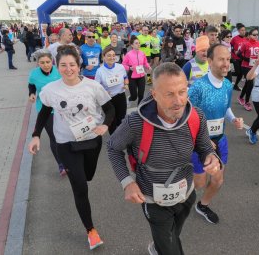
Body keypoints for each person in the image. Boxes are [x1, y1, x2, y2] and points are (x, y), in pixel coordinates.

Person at [106, 62, 221, 255]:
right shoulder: (136, 122)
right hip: (153, 198)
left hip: (186, 193)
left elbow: (204, 146)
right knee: (171, 247)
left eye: (182, 92)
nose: (178, 101)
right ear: (155, 94)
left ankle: (159, 246)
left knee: (173, 234)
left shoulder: (196, 117)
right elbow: (112, 148)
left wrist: (211, 156)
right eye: (169, 94)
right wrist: (127, 182)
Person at [27, 45, 115, 250]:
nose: (68, 69)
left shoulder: (93, 87)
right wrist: (36, 136)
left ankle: (80, 178)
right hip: (66, 143)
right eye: (63, 65)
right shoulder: (51, 90)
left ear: (79, 65)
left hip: (92, 140)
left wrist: (105, 125)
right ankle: (91, 230)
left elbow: (110, 109)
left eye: (72, 65)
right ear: (58, 66)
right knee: (80, 187)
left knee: (88, 175)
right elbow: (44, 112)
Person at [189, 44, 244, 224]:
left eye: (228, 59)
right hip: (199, 143)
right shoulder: (198, 87)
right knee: (198, 184)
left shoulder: (228, 84)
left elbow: (226, 109)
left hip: (220, 140)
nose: (226, 63)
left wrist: (234, 119)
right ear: (210, 61)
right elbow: (186, 116)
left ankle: (202, 205)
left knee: (218, 180)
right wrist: (202, 139)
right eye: (221, 59)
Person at [28, 49, 65, 175]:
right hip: (45, 110)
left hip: (62, 108)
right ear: (38, 63)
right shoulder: (34, 74)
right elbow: (31, 85)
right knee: (54, 137)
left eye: (48, 62)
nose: (45, 65)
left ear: (52, 61)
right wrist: (32, 94)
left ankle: (69, 157)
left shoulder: (59, 71)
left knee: (64, 134)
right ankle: (61, 164)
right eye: (42, 62)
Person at [95, 46, 128, 134]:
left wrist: (126, 84)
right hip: (108, 99)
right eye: (109, 55)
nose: (112, 57)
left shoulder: (120, 67)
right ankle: (113, 140)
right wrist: (104, 92)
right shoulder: (100, 71)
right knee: (111, 121)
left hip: (120, 96)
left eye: (113, 55)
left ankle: (121, 135)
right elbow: (97, 87)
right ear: (103, 57)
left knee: (121, 117)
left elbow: (125, 77)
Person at [237, 28, 259, 111]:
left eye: (257, 34)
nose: (256, 36)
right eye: (254, 34)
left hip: (254, 67)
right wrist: (246, 59)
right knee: (250, 84)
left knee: (248, 83)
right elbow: (239, 54)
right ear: (250, 35)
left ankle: (241, 97)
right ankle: (247, 102)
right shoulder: (245, 44)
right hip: (245, 67)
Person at [122, 36, 151, 104]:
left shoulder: (142, 53)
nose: (138, 45)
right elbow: (123, 64)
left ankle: (139, 110)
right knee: (134, 96)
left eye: (139, 43)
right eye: (136, 43)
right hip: (132, 77)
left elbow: (145, 62)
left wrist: (148, 67)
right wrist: (129, 68)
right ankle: (129, 98)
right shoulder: (128, 54)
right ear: (132, 45)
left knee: (141, 95)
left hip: (141, 76)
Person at [231, 23, 247, 91]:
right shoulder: (234, 39)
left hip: (242, 58)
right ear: (238, 31)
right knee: (238, 72)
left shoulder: (246, 39)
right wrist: (233, 51)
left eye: (244, 30)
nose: (243, 31)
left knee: (241, 73)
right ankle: (227, 73)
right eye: (242, 30)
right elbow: (230, 46)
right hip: (235, 58)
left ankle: (235, 85)